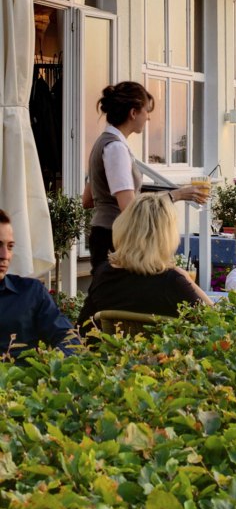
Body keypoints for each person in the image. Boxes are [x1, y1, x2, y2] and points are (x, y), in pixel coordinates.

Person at [82, 82, 207, 273]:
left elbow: (88, 200)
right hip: (116, 238)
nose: (148, 118)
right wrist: (177, 195)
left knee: (104, 294)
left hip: (102, 233)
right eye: (146, 111)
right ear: (133, 113)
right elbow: (131, 209)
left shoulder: (102, 143)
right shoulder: (116, 149)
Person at [77, 194, 211, 331]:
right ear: (167, 236)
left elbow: (82, 328)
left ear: (124, 228)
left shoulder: (104, 275)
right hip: (163, 353)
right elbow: (215, 324)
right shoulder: (172, 282)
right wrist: (186, 279)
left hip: (113, 351)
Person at [0, 209, 76, 356]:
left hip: (23, 377)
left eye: (10, 246)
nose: (5, 255)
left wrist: (54, 369)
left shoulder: (31, 292)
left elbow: (68, 338)